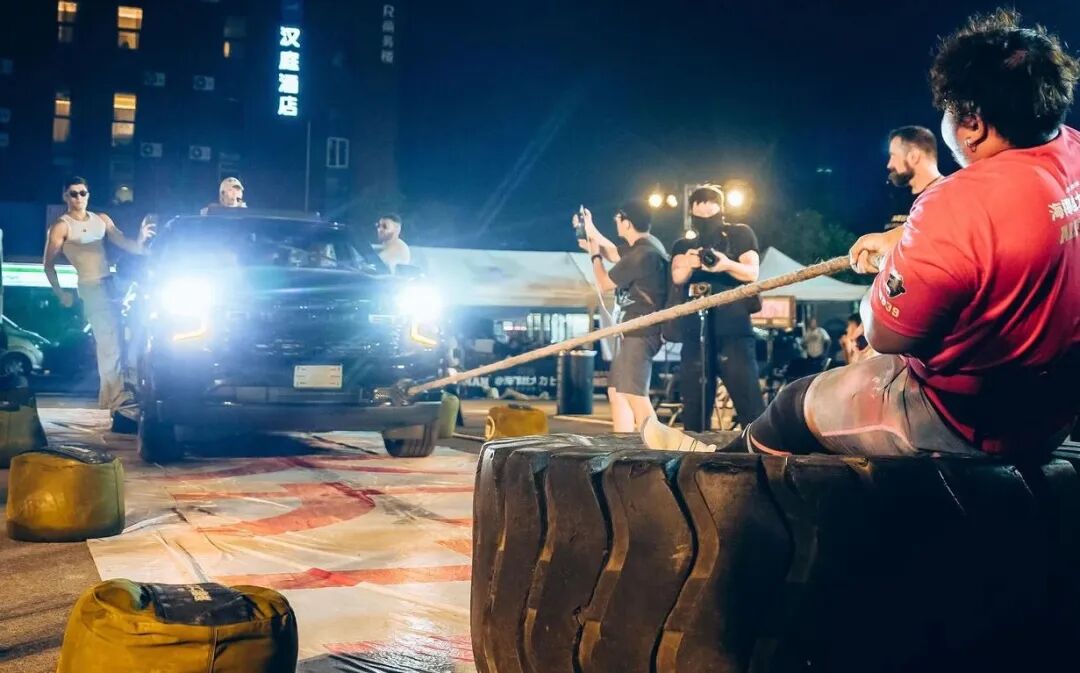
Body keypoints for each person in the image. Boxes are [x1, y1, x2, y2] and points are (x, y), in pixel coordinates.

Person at [648, 10, 1079, 458]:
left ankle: (720, 474)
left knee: (794, 404)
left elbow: (886, 335)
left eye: (947, 110)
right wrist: (905, 239)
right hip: (1051, 414)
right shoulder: (1071, 150)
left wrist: (896, 262)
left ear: (973, 124)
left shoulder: (956, 202)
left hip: (968, 421)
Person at [44, 177, 155, 431]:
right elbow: (48, 265)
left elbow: (130, 246)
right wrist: (60, 293)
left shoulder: (101, 219)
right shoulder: (61, 226)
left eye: (82, 193)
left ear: (88, 194)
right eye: (73, 193)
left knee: (124, 340)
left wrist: (142, 240)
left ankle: (120, 400)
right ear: (65, 196)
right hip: (90, 287)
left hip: (109, 284)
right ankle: (117, 402)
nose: (78, 198)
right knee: (109, 343)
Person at [669, 185, 766, 432]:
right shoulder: (683, 245)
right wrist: (691, 261)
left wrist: (725, 264)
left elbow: (752, 272)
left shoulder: (740, 233)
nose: (704, 213)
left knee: (749, 401)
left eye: (709, 207)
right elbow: (677, 276)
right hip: (695, 334)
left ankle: (761, 450)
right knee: (694, 408)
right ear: (691, 210)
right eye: (699, 208)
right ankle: (694, 453)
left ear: (720, 208)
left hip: (734, 331)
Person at [575, 202, 668, 432]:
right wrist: (591, 231)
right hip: (633, 331)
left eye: (617, 220)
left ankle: (658, 445)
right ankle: (623, 443)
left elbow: (604, 283)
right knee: (617, 392)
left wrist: (595, 255)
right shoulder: (647, 246)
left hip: (641, 331)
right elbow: (615, 252)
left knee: (635, 395)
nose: (616, 224)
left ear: (627, 223)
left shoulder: (642, 254)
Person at [884, 126, 944, 231]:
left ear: (914, 156)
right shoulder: (899, 200)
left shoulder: (948, 197)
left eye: (893, 156)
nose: (889, 165)